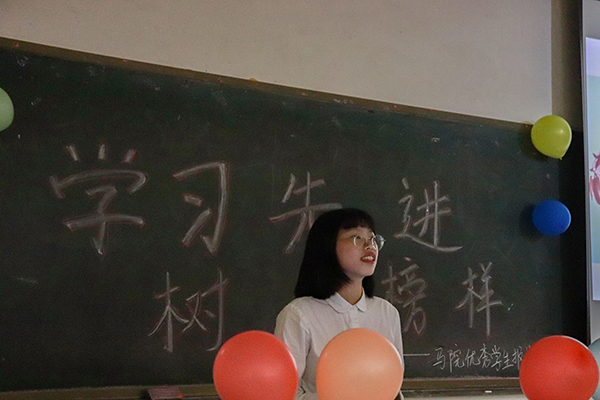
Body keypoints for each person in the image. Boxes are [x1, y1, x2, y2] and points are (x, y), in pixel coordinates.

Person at [274, 208, 404, 400]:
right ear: (328, 247)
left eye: (372, 238)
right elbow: (284, 394)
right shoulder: (299, 314)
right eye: (356, 237)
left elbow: (393, 384)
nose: (370, 245)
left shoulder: (387, 313)